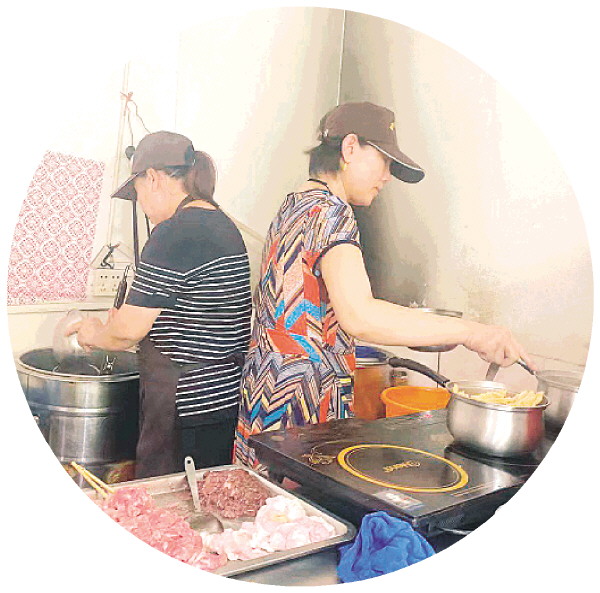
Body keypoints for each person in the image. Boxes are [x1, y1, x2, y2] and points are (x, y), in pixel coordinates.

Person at [233, 101, 536, 468]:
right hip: (303, 401)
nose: (388, 176)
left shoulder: (295, 204)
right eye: (385, 161)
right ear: (349, 147)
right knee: (295, 500)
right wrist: (474, 332)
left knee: (262, 498)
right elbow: (360, 315)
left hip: (267, 386)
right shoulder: (332, 213)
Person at [68, 131, 252, 478]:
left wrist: (94, 332)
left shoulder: (175, 232)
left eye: (137, 192)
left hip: (184, 407)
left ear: (152, 178)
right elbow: (195, 315)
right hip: (222, 401)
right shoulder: (221, 224)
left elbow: (127, 332)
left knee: (169, 502)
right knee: (206, 500)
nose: (140, 204)